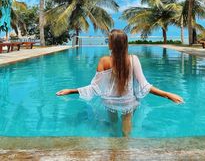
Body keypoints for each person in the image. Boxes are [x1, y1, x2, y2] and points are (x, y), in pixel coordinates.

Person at [56, 29, 184, 136]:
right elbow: (145, 86)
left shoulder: (104, 61)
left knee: (113, 126)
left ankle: (113, 150)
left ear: (112, 44)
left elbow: (94, 88)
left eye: (109, 41)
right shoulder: (133, 59)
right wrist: (168, 95)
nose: (108, 43)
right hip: (127, 102)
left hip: (109, 101)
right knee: (126, 133)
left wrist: (71, 91)